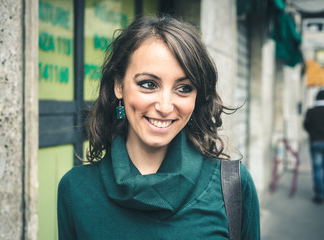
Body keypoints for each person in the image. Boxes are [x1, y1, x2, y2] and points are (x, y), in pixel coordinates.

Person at [57, 16, 260, 239]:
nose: (164, 106)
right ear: (118, 85)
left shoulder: (232, 186)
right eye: (148, 84)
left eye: (184, 88)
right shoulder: (75, 189)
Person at [304, 89, 324, 204]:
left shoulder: (311, 111)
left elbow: (305, 125)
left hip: (315, 142)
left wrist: (312, 133)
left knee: (317, 168)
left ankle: (319, 194)